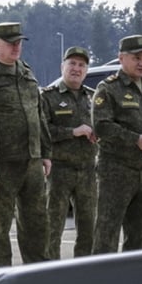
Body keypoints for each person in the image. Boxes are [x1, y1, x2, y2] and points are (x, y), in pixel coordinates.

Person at [92, 34, 142, 253]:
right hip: (116, 172)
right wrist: (136, 139)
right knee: (107, 233)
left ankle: (134, 281)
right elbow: (101, 126)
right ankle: (102, 282)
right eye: (136, 58)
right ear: (121, 58)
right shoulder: (108, 88)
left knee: (140, 236)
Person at [0, 22, 51, 267]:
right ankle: (0, 281)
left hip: (31, 161)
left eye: (19, 42)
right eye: (11, 43)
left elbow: (38, 113)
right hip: (2, 164)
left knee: (37, 224)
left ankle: (37, 276)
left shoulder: (26, 72)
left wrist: (45, 152)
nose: (16, 47)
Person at [41, 45, 97, 258]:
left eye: (81, 65)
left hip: (88, 171)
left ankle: (83, 269)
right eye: (72, 63)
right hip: (59, 170)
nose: (76, 68)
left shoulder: (93, 97)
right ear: (62, 66)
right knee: (52, 227)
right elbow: (43, 130)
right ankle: (50, 271)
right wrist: (73, 132)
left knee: (88, 227)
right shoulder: (48, 96)